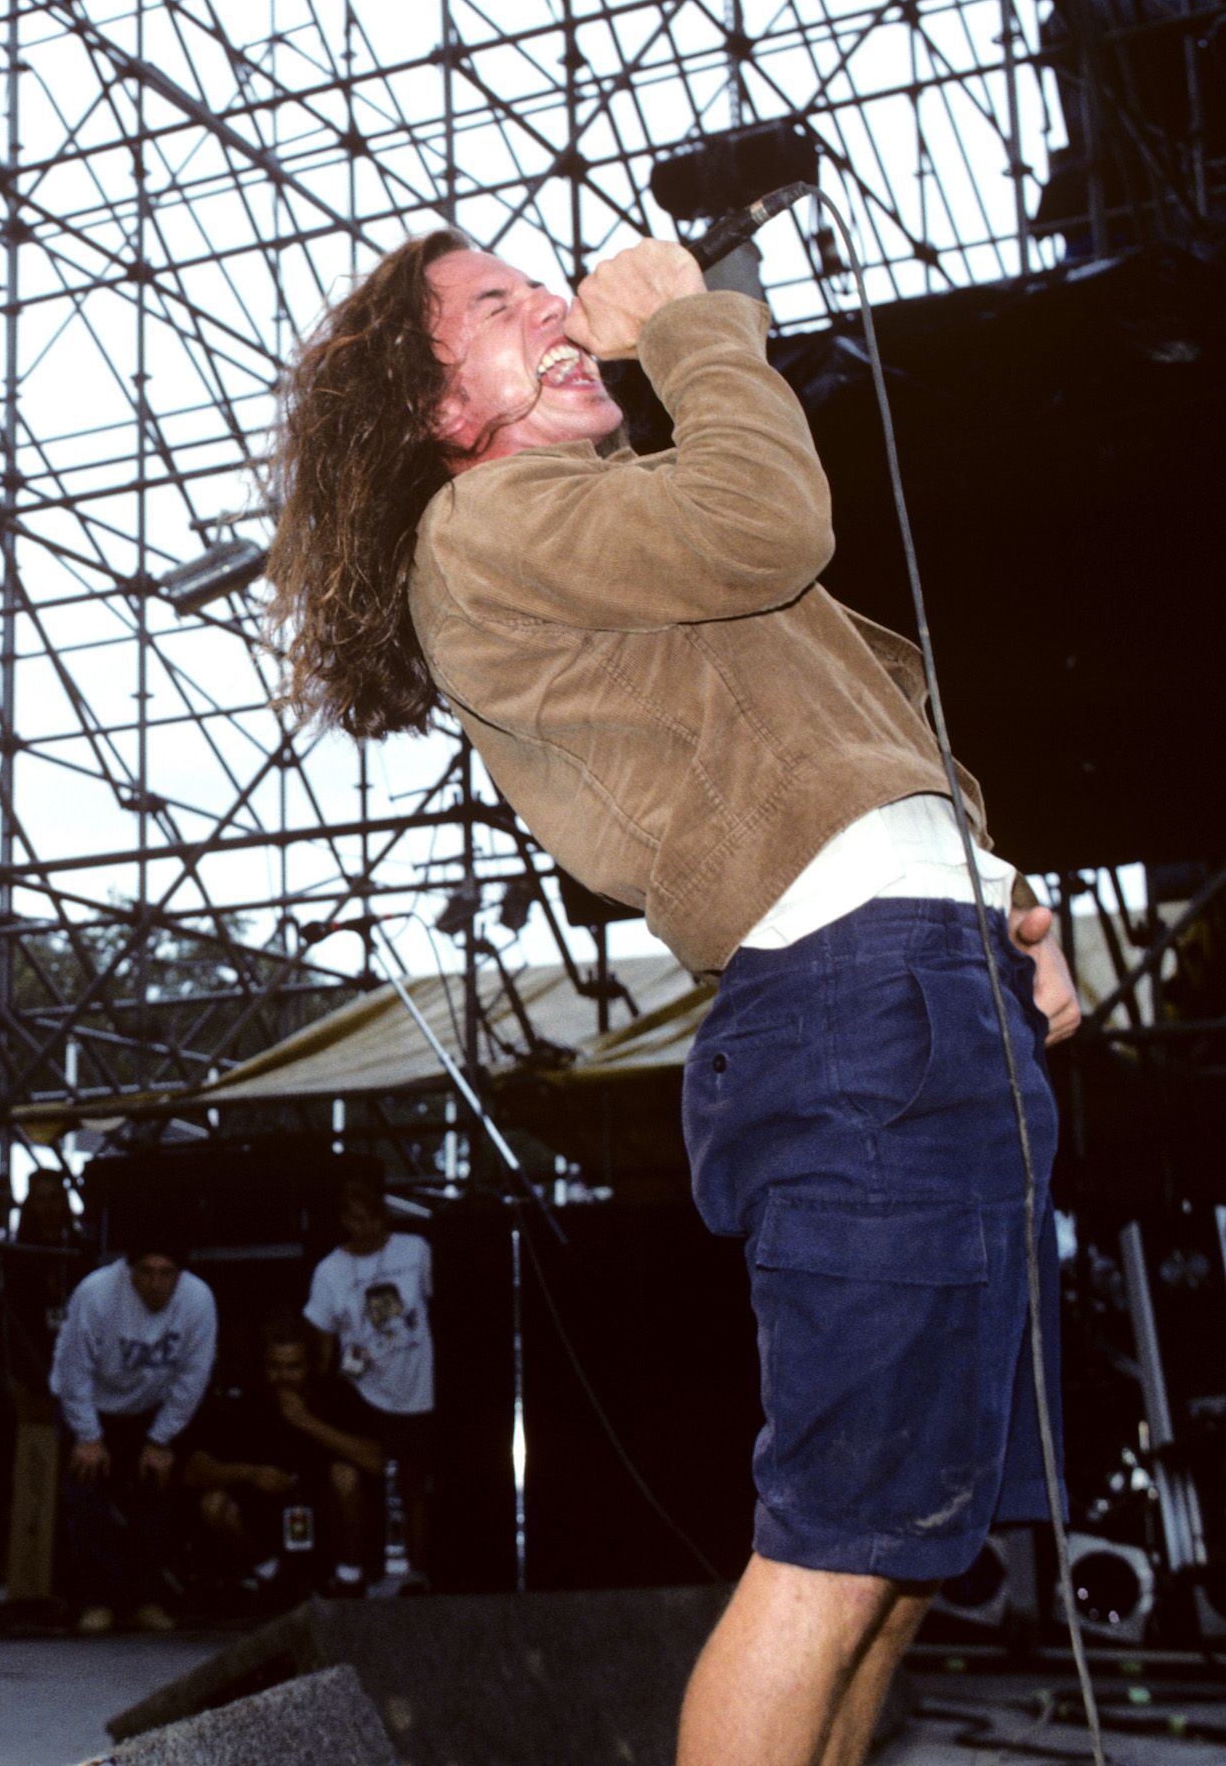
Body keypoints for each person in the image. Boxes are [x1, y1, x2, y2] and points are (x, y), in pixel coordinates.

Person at [268, 235, 1082, 1766]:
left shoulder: (619, 537)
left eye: (545, 288)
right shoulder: (488, 518)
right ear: (438, 409)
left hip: (925, 977)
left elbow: (859, 733)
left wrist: (1007, 898)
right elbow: (772, 513)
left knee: (904, 1556)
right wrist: (700, 328)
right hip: (862, 1008)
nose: (560, 311)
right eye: (501, 308)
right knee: (841, 1550)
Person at [48, 1218, 216, 1634]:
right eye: (147, 1272)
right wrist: (88, 1435)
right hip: (91, 1403)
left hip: (150, 1407)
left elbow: (193, 1376)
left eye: (166, 1274)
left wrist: (161, 1438)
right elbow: (74, 1371)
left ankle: (146, 1597)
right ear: (130, 1270)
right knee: (86, 1493)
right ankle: (95, 1598)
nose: (157, 1284)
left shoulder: (197, 1300)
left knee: (155, 1495)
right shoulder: (96, 1293)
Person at [182, 1311, 382, 1599]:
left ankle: (348, 1578)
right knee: (213, 1504)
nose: (283, 1377)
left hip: (328, 1524)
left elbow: (377, 1462)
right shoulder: (248, 1403)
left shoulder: (336, 1395)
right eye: (274, 1367)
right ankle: (272, 1577)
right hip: (269, 1525)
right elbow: (193, 1470)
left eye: (293, 1367)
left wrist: (306, 1421)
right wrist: (251, 1473)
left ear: (310, 1365)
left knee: (346, 1475)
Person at [302, 1176, 436, 1586]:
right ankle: (352, 1571)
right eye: (358, 1220)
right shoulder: (330, 1271)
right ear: (345, 1220)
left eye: (375, 1218)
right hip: (362, 1391)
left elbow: (429, 1307)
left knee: (417, 1484)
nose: (368, 1228)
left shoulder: (415, 1250)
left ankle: (419, 1574)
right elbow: (323, 1341)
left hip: (417, 1388)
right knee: (354, 1477)